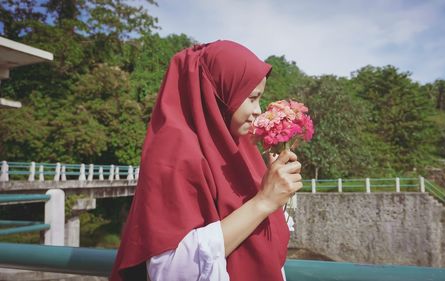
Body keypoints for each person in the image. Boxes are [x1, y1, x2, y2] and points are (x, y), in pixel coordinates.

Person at [109, 40, 302, 281]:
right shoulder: (174, 153)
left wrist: (275, 185)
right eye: (251, 98)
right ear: (219, 93)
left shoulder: (238, 144)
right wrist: (263, 201)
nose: (257, 110)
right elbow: (169, 268)